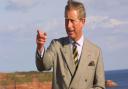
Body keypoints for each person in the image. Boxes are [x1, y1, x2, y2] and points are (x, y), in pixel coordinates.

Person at [35, 0, 105, 89]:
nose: (68, 25)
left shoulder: (96, 51)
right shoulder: (57, 45)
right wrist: (40, 47)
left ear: (82, 21)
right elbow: (43, 66)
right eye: (66, 20)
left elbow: (100, 86)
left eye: (72, 21)